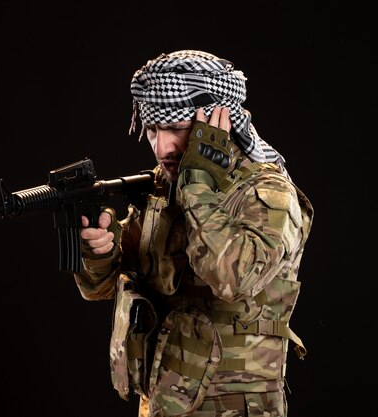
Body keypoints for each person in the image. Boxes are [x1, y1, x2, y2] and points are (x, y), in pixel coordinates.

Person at [74, 50, 314, 417]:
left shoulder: (264, 193)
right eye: (153, 130)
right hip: (163, 401)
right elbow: (104, 287)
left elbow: (235, 279)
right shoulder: (165, 185)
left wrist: (197, 188)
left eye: (178, 129)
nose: (161, 147)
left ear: (221, 122)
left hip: (235, 405)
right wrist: (100, 253)